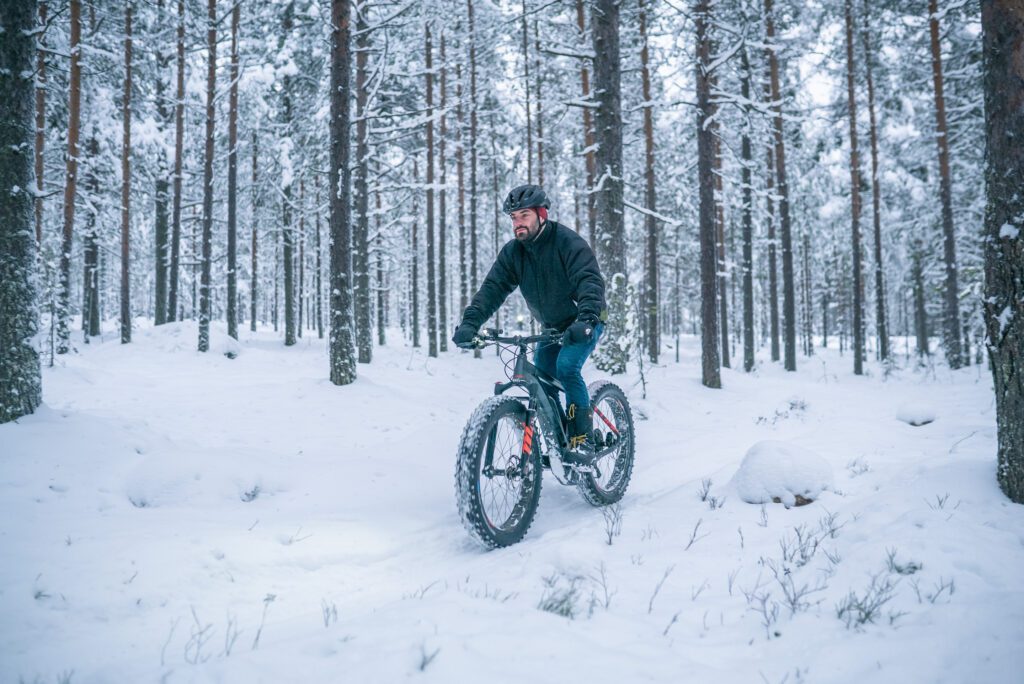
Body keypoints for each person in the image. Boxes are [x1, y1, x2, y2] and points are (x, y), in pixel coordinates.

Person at [452, 184, 608, 463]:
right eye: (513, 217)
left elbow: (589, 280)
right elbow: (492, 290)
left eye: (524, 215)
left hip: (585, 320)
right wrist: (470, 323)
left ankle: (583, 440)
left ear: (541, 214)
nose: (517, 223)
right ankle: (560, 441)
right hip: (552, 328)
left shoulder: (567, 242)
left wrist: (586, 318)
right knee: (542, 378)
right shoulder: (514, 253)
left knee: (566, 367)